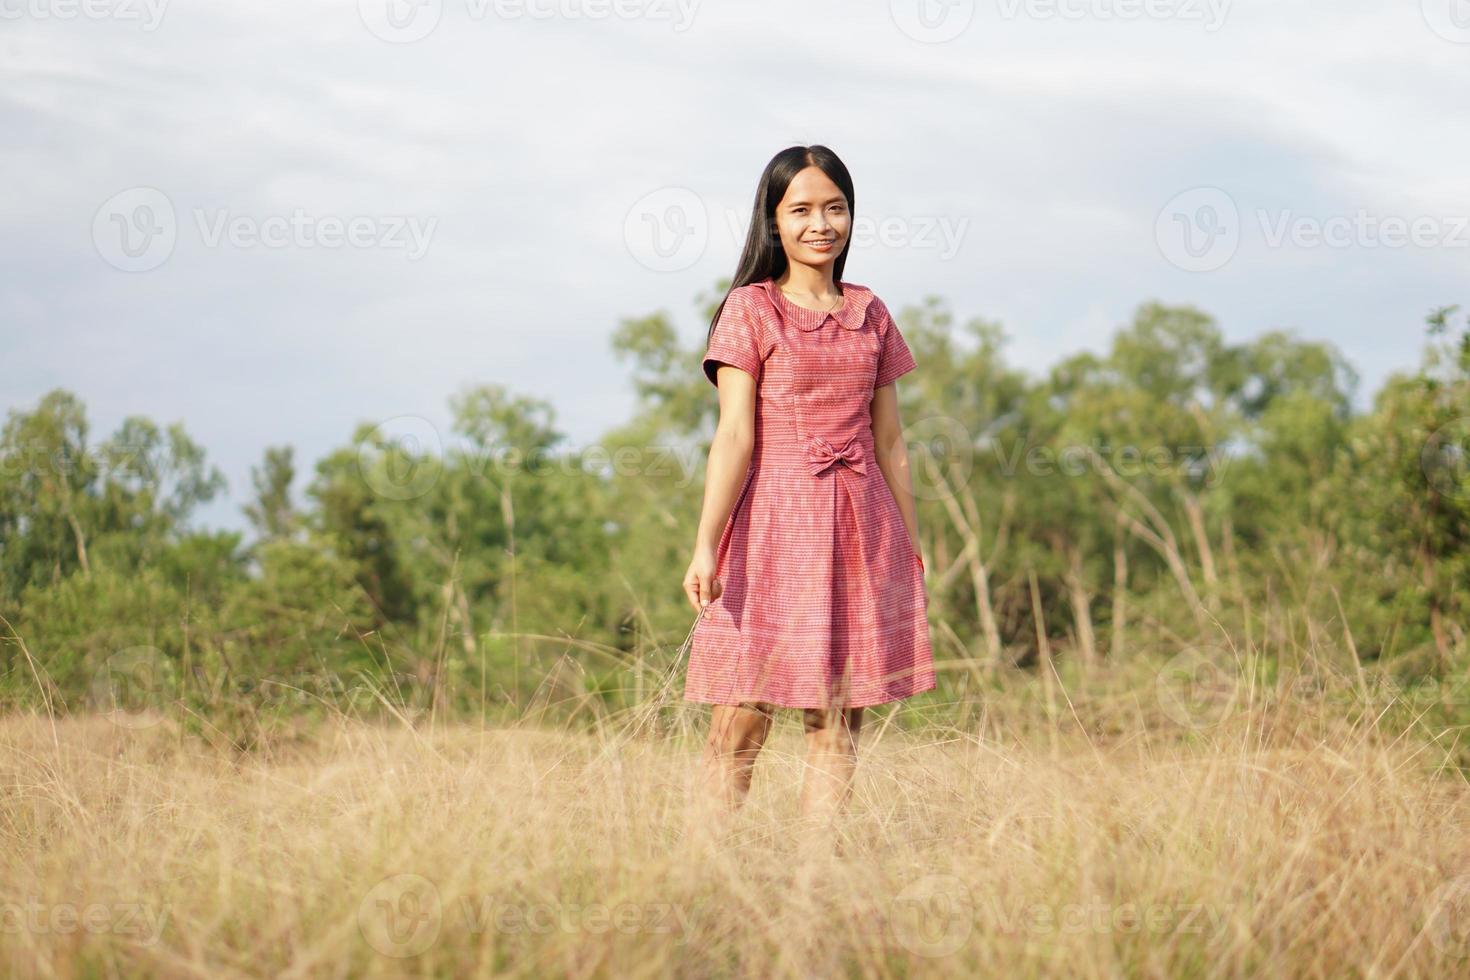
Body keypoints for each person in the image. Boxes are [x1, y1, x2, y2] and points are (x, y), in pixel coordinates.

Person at [681, 145, 936, 849]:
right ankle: (707, 865)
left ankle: (816, 882)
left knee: (837, 712)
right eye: (802, 210)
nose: (821, 224)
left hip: (862, 525)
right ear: (774, 219)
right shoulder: (750, 309)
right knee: (744, 708)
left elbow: (892, 443)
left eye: (835, 207)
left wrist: (912, 547)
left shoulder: (870, 311)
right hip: (772, 525)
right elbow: (733, 435)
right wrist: (706, 543)